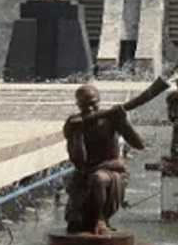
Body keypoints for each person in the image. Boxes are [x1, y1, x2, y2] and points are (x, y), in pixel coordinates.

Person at [62, 84, 146, 234]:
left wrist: (124, 122)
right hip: (86, 170)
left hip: (111, 169)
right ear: (78, 104)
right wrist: (78, 133)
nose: (89, 109)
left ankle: (100, 218)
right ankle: (79, 218)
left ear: (99, 101)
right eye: (84, 105)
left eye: (93, 104)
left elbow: (139, 144)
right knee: (81, 180)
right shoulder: (73, 123)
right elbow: (79, 161)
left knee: (98, 179)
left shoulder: (110, 119)